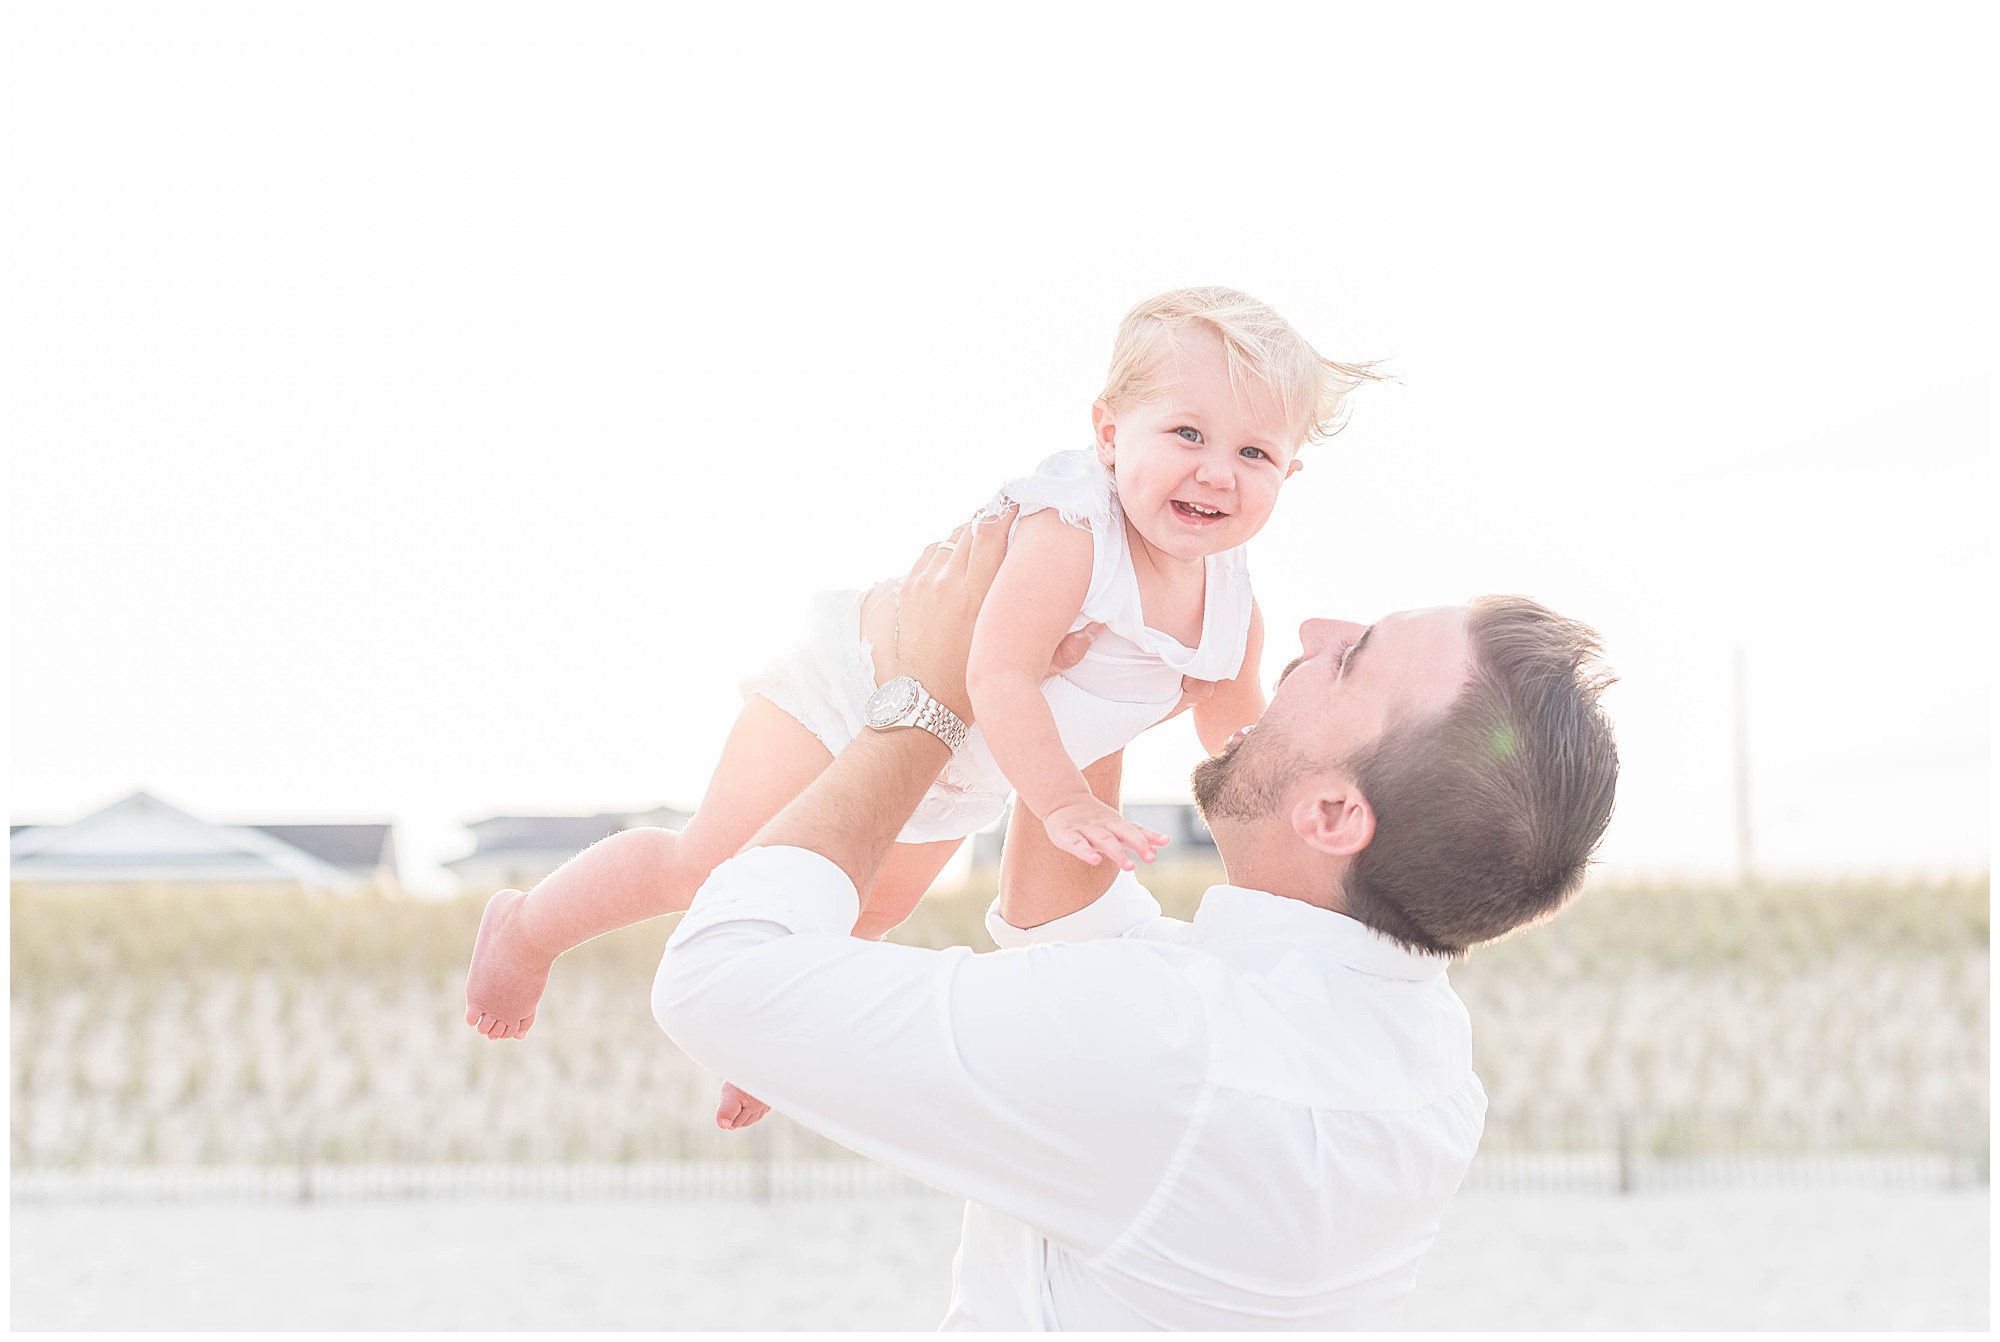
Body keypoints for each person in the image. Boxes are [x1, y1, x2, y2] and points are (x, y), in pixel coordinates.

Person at [652, 512, 1620, 1329]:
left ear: (1331, 814)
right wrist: (1086, 681)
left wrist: (928, 694)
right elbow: (1065, 930)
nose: (1315, 628)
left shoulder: (1175, 1048)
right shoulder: (1418, 1057)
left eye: (1350, 657)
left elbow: (717, 979)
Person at [464, 287, 1379, 1128]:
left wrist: (1298, 803)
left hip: (962, 766)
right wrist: (1063, 803)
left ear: (1289, 475)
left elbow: (1237, 732)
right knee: (713, 865)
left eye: (1253, 453)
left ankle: (774, 1032)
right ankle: (528, 928)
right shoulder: (1072, 536)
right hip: (859, 690)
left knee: (872, 909)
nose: (1218, 472)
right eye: (1186, 434)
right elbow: (999, 675)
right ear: (1109, 437)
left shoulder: (1231, 606)